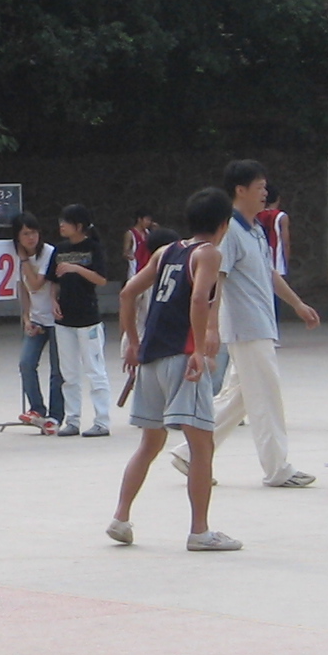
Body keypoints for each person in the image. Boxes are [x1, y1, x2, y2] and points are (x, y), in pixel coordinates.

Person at [169, 161, 320, 488]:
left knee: (239, 399)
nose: (265, 193)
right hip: (246, 327)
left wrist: (297, 304)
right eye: (259, 187)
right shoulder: (231, 232)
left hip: (260, 323)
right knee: (266, 396)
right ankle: (278, 468)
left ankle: (189, 453)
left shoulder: (255, 229)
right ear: (240, 190)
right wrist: (211, 327)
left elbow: (269, 272)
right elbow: (217, 279)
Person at [110, 187, 240, 552]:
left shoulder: (166, 251)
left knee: (149, 443)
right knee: (202, 445)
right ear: (224, 224)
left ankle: (120, 517)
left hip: (151, 359)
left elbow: (127, 293)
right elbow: (199, 298)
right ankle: (200, 531)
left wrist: (133, 342)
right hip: (182, 360)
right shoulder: (209, 253)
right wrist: (198, 349)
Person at [48, 204, 111, 437]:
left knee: (95, 370)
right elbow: (53, 280)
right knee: (69, 373)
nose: (61, 226)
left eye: (66, 222)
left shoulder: (94, 248)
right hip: (64, 320)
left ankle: (102, 421)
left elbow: (101, 279)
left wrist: (76, 268)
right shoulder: (59, 249)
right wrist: (53, 300)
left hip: (88, 318)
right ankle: (72, 420)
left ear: (79, 225)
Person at [13, 212, 63, 432]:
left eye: (33, 232)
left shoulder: (49, 253)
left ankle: (56, 415)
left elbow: (35, 284)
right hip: (36, 318)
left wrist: (24, 260)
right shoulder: (15, 257)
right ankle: (37, 409)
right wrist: (26, 318)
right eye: (25, 234)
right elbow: (23, 290)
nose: (31, 238)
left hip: (56, 319)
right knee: (26, 363)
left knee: (57, 371)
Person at [124, 209, 159, 278]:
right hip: (135, 269)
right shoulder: (130, 234)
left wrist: (156, 231)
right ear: (139, 219)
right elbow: (125, 252)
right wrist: (129, 255)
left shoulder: (148, 233)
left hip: (147, 267)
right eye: (147, 220)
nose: (148, 222)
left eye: (150, 220)